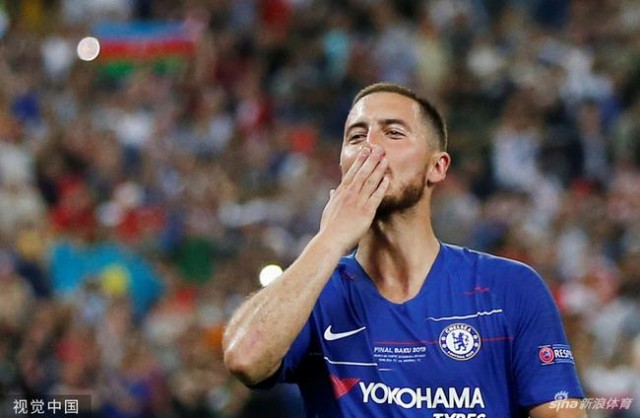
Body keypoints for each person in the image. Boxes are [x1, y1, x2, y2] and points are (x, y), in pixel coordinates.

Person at [223, 83, 585, 418]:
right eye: (356, 136)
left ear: (437, 167)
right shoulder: (314, 293)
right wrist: (329, 239)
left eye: (393, 133)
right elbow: (245, 359)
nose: (371, 147)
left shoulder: (509, 287)